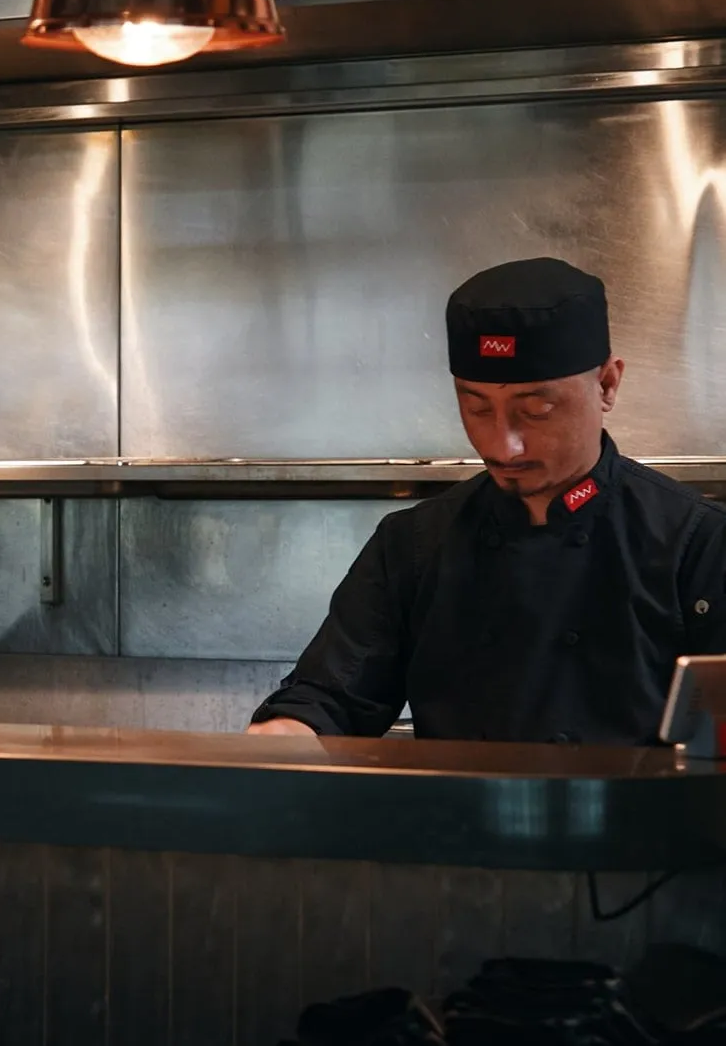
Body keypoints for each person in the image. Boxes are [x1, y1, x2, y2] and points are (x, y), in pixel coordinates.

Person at [248, 257, 726, 744]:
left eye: (536, 410)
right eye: (476, 407)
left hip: (637, 799)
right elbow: (328, 698)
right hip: (460, 798)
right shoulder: (413, 545)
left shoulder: (698, 542)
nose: (504, 446)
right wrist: (284, 734)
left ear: (607, 384)